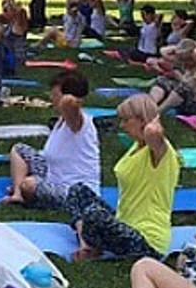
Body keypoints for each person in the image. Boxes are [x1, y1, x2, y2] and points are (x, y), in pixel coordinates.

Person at [64, 95, 180, 262]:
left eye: (126, 120)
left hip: (146, 242)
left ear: (141, 120)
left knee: (93, 214)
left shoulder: (162, 153)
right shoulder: (136, 146)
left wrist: (154, 118)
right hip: (125, 223)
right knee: (78, 191)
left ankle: (91, 247)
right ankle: (87, 245)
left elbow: (154, 133)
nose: (122, 125)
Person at [3, 71, 99, 208]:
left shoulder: (79, 122)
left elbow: (71, 106)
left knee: (29, 185)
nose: (51, 98)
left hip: (74, 191)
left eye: (55, 95)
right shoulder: (62, 120)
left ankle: (25, 193)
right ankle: (18, 195)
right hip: (52, 174)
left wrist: (69, 99)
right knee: (19, 150)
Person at [148, 39, 196, 117]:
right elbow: (163, 51)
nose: (185, 63)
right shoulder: (186, 61)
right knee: (163, 80)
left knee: (183, 87)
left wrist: (178, 76)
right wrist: (178, 48)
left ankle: (157, 112)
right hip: (187, 102)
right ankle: (149, 104)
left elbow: (192, 87)